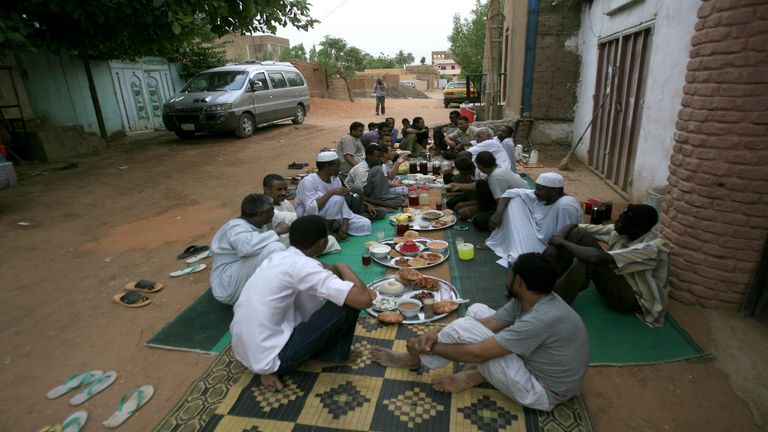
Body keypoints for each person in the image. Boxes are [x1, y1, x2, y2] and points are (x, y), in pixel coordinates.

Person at [371, 252, 589, 412]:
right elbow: (488, 323)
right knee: (475, 311)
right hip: (533, 362)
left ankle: (416, 358)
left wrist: (428, 346)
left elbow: (477, 353)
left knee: (464, 329)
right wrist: (437, 330)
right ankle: (474, 374)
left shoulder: (539, 319)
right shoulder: (533, 297)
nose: (507, 278)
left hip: (542, 392)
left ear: (519, 282)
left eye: (509, 274)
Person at [231, 215, 375, 391]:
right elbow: (364, 300)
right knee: (348, 303)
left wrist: (332, 270)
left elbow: (321, 268)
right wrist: (345, 267)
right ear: (322, 243)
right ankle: (332, 357)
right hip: (276, 359)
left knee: (331, 293)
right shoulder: (303, 267)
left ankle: (272, 363)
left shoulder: (279, 258)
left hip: (246, 351)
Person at [546, 204, 670, 327]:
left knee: (587, 259)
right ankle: (544, 282)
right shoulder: (624, 230)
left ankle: (550, 306)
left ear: (636, 229)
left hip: (633, 299)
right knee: (578, 234)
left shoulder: (652, 248)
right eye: (619, 218)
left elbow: (596, 257)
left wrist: (561, 243)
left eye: (621, 222)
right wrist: (556, 243)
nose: (616, 224)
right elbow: (574, 226)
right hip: (619, 277)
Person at [485, 172, 583, 267]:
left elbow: (567, 238)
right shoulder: (543, 196)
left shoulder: (566, 206)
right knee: (515, 199)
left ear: (554, 191)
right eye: (536, 188)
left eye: (540, 189)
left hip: (551, 246)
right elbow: (509, 193)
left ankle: (525, 255)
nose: (536, 192)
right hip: (537, 235)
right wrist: (498, 214)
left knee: (523, 261)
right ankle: (500, 241)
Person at [209, 194, 288, 305]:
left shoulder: (258, 221)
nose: (274, 213)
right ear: (261, 214)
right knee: (275, 248)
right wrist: (277, 231)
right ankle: (276, 295)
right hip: (227, 286)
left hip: (240, 273)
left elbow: (284, 219)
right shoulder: (235, 228)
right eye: (271, 211)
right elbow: (246, 248)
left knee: (279, 246)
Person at [295, 151, 372, 241]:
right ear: (327, 167)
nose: (339, 169)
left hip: (335, 216)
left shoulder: (335, 179)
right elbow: (311, 209)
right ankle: (326, 235)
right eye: (337, 166)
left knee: (365, 224)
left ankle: (336, 230)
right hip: (312, 219)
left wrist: (345, 224)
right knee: (336, 199)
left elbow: (342, 203)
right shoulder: (308, 181)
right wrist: (332, 192)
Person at [447, 151, 528, 231]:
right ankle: (484, 211)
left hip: (519, 209)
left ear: (480, 166)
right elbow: (477, 185)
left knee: (479, 221)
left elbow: (501, 200)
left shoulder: (495, 176)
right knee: (481, 184)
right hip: (512, 203)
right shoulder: (497, 170)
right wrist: (458, 186)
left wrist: (496, 216)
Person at [262, 174, 341, 253]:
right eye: (279, 190)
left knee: (330, 240)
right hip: (277, 244)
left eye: (285, 189)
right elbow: (290, 217)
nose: (284, 193)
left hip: (293, 239)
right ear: (266, 190)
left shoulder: (285, 203)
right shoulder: (262, 207)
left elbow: (296, 224)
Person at [345, 144, 404, 217]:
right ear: (369, 156)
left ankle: (379, 204)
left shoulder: (375, 164)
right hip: (357, 200)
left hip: (373, 196)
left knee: (401, 199)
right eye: (378, 157)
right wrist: (384, 204)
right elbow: (360, 195)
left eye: (381, 157)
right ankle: (374, 208)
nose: (380, 159)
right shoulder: (361, 171)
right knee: (382, 212)